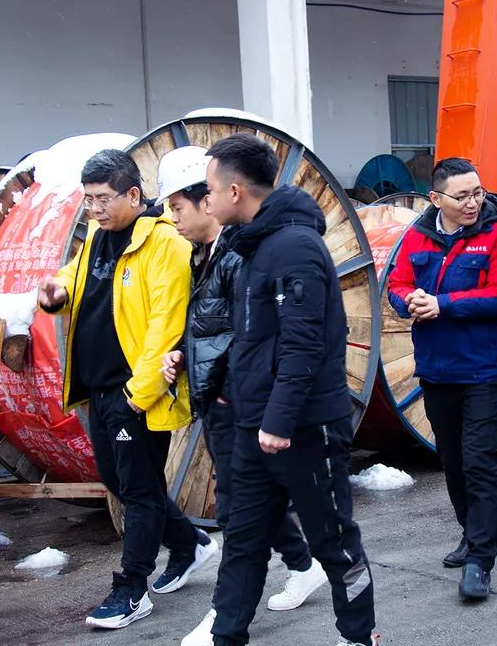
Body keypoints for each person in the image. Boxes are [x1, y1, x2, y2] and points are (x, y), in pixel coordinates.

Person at [202, 133, 378, 646]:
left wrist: (278, 421)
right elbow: (252, 338)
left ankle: (358, 636)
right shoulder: (252, 245)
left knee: (334, 542)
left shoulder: (295, 247)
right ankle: (227, 637)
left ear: (235, 191)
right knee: (243, 540)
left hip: (303, 428)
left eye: (209, 189)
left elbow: (304, 344)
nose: (205, 200)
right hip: (253, 425)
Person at [152, 146, 328, 646]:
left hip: (239, 403)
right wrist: (184, 354)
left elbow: (256, 335)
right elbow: (211, 326)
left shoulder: (239, 254)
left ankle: (226, 615)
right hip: (221, 398)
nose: (173, 218)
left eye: (180, 206)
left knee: (239, 511)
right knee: (248, 506)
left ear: (209, 201)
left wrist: (235, 394)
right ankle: (303, 565)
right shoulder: (203, 255)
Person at [37, 148, 217, 630]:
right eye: (89, 199)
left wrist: (139, 395)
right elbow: (77, 278)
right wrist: (57, 292)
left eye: (103, 199)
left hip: (134, 392)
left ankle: (131, 589)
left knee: (138, 490)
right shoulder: (99, 236)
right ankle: (189, 544)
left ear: (134, 195)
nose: (94, 209)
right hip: (98, 388)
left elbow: (166, 324)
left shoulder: (165, 244)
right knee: (120, 483)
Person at [386, 157, 497, 601]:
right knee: (452, 459)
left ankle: (481, 560)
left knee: (479, 460)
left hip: (482, 368)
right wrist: (410, 301)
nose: (472, 203)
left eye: (477, 193)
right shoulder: (418, 236)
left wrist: (443, 304)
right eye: (461, 196)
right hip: (436, 368)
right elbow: (397, 283)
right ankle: (470, 531)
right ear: (435, 198)